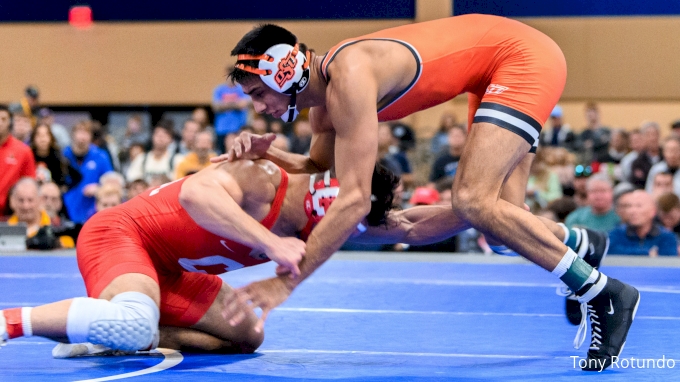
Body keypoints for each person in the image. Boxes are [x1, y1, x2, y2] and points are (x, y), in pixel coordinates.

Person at [217, 15, 637, 370]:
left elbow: (353, 199)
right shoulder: (327, 105)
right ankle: (580, 243)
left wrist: (286, 283)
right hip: (494, 66)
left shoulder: (350, 78)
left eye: (258, 93)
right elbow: (317, 170)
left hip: (521, 57)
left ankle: (603, 292)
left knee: (473, 199)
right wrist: (267, 153)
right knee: (503, 221)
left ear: (282, 71)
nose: (258, 108)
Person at [0, 159, 458, 357]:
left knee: (249, 334)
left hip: (169, 271)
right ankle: (9, 323)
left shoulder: (330, 215)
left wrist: (484, 214)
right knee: (136, 321)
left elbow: (411, 226)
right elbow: (198, 193)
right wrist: (272, 241)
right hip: (122, 234)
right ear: (331, 192)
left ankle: (107, 334)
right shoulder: (264, 178)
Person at [62, 121, 114, 224]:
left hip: (92, 212)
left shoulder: (100, 156)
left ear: (91, 136)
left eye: (86, 133)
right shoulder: (63, 155)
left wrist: (99, 188)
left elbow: (111, 183)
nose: (82, 137)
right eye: (79, 132)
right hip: (67, 211)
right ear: (73, 135)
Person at [7, 177, 74, 249]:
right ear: (13, 201)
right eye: (21, 200)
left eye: (30, 200)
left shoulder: (57, 228)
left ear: (39, 200)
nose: (26, 206)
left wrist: (56, 244)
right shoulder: (5, 228)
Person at [608, 190, 678, 256]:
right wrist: (647, 253)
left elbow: (669, 260)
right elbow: (611, 251)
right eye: (629, 206)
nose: (632, 211)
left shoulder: (667, 237)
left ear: (653, 211)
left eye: (639, 206)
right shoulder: (616, 234)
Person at [0, 105, 36, 215]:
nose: (0, 122)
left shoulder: (23, 151)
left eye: (3, 119)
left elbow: (29, 185)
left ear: (9, 122)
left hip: (11, 214)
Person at [212, 80, 251, 154]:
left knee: (241, 152)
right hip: (222, 129)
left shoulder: (242, 88)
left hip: (239, 127)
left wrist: (225, 104)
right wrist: (236, 104)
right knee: (222, 153)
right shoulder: (219, 89)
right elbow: (216, 106)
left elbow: (244, 104)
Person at [30, 123, 69, 187]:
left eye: (46, 135)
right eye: (39, 135)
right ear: (33, 138)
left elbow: (76, 177)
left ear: (51, 138)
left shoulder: (59, 157)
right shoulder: (28, 156)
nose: (42, 139)